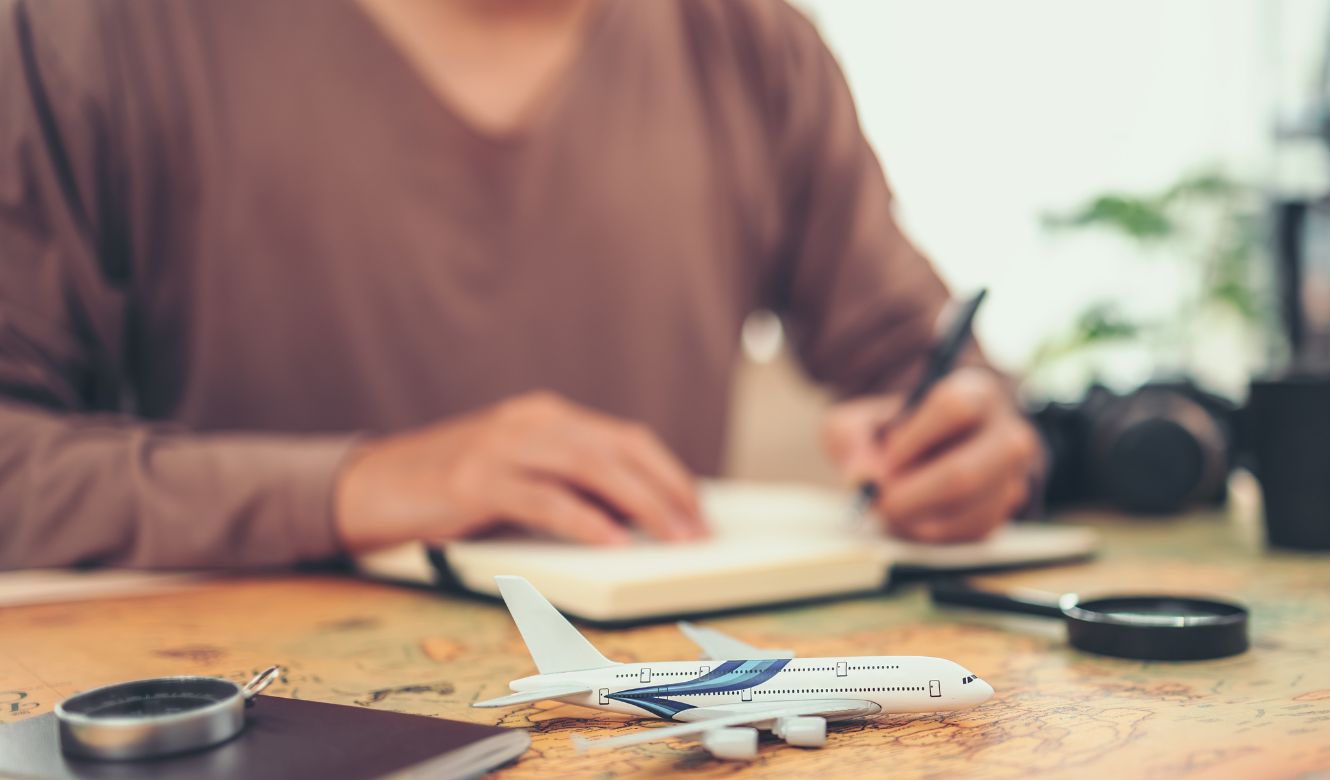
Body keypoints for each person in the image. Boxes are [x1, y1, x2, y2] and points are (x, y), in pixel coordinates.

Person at [0, 0, 1043, 570]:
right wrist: (355, 488)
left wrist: (967, 442)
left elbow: (928, 370)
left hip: (660, 737)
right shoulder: (87, 32)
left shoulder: (751, 41)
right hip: (222, 750)